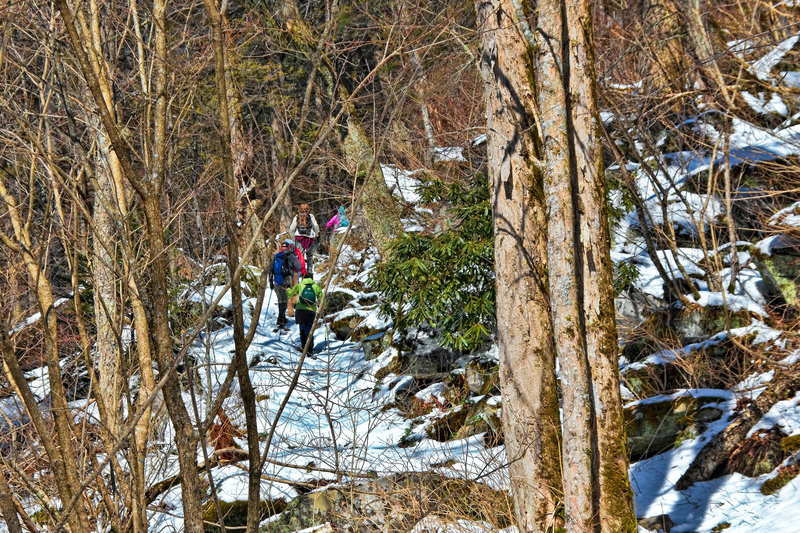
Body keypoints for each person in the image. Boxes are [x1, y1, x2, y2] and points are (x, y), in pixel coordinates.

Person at [268, 239, 303, 330]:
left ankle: (282, 318)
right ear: (288, 248)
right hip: (287, 281)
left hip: (277, 281)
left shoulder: (276, 256)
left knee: (281, 300)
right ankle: (281, 321)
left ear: (281, 248)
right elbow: (299, 267)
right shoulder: (291, 256)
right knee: (284, 301)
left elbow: (270, 269)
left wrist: (270, 282)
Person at [286, 272, 323, 355]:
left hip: (300, 311)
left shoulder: (300, 285)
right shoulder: (316, 287)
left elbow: (290, 293)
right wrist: (323, 307)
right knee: (309, 329)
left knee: (302, 329)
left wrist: (288, 289)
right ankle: (309, 349)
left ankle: (303, 347)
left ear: (304, 278)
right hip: (311, 311)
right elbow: (322, 299)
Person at [289, 204, 320, 274]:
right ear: (308, 209)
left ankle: (300, 272)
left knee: (300, 256)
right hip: (310, 238)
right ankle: (309, 272)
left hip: (299, 238)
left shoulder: (297, 217)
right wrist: (316, 233)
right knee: (310, 256)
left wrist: (293, 237)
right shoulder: (311, 216)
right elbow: (315, 226)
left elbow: (291, 228)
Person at [283, 239, 306, 317]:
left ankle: (290, 309)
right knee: (295, 287)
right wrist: (303, 271)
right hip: (295, 272)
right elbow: (301, 261)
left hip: (286, 274)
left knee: (288, 289)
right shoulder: (296, 250)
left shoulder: (282, 251)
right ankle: (295, 302)